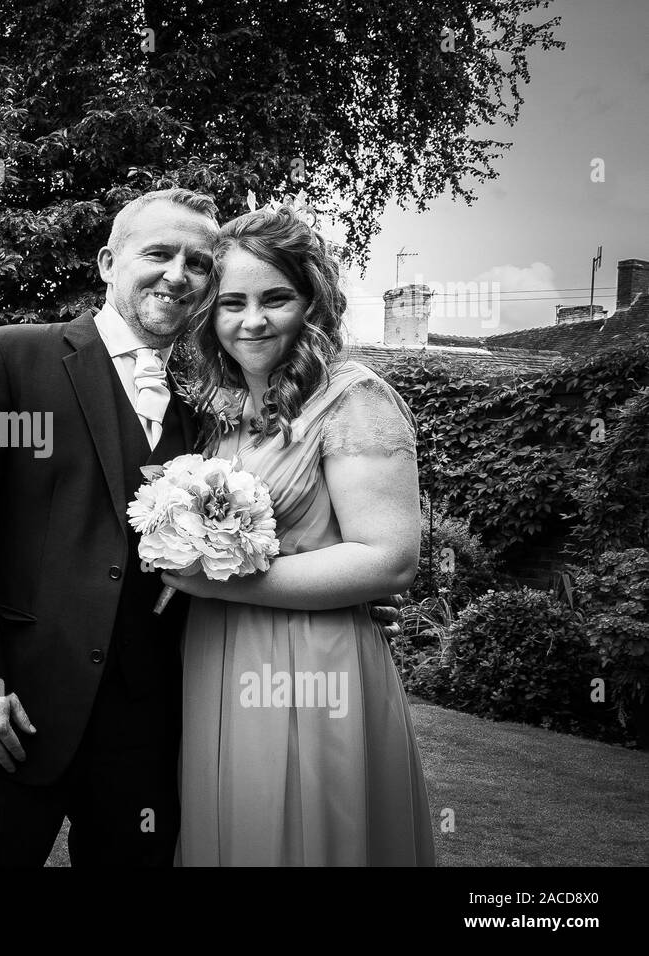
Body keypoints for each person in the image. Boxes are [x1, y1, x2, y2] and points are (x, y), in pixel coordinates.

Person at [0, 188, 405, 866]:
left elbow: (278, 529)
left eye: (198, 263)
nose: (178, 274)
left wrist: (348, 589)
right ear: (108, 261)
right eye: (159, 253)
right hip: (14, 709)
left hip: (152, 725)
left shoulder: (209, 408)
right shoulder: (10, 361)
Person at [162, 203, 437, 865]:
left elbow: (389, 560)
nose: (251, 320)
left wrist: (210, 577)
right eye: (232, 302)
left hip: (310, 664)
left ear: (312, 300)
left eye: (276, 298)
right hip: (215, 657)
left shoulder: (353, 397)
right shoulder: (221, 411)